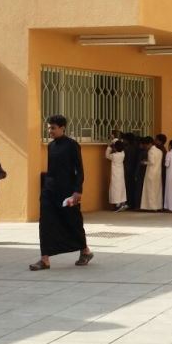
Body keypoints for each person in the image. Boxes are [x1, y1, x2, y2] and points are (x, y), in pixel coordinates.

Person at [30, 115, 93, 271]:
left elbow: (79, 169)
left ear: (62, 128)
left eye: (53, 128)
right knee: (45, 223)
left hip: (67, 192)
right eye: (48, 128)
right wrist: (46, 187)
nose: (50, 131)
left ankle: (85, 251)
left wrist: (77, 191)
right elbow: (52, 170)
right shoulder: (51, 146)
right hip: (50, 190)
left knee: (72, 221)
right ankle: (45, 259)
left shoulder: (72, 145)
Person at [140, 136, 164, 211]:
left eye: (146, 145)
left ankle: (151, 207)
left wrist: (144, 162)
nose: (145, 147)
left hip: (151, 173)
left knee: (150, 190)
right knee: (157, 190)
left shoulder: (151, 151)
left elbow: (151, 162)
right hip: (158, 173)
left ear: (150, 144)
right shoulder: (159, 151)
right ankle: (158, 206)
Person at [107, 140, 127, 211]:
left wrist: (109, 147)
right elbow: (120, 146)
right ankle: (122, 203)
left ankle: (117, 205)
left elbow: (107, 155)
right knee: (121, 187)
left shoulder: (114, 156)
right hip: (121, 173)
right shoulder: (123, 154)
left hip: (115, 174)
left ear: (115, 148)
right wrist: (115, 141)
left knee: (115, 188)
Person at [122, 133, 140, 210]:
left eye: (124, 139)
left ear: (127, 140)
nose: (123, 141)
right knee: (133, 188)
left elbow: (126, 160)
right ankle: (133, 204)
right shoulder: (136, 147)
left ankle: (129, 203)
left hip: (128, 170)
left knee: (128, 188)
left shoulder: (127, 148)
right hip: (134, 170)